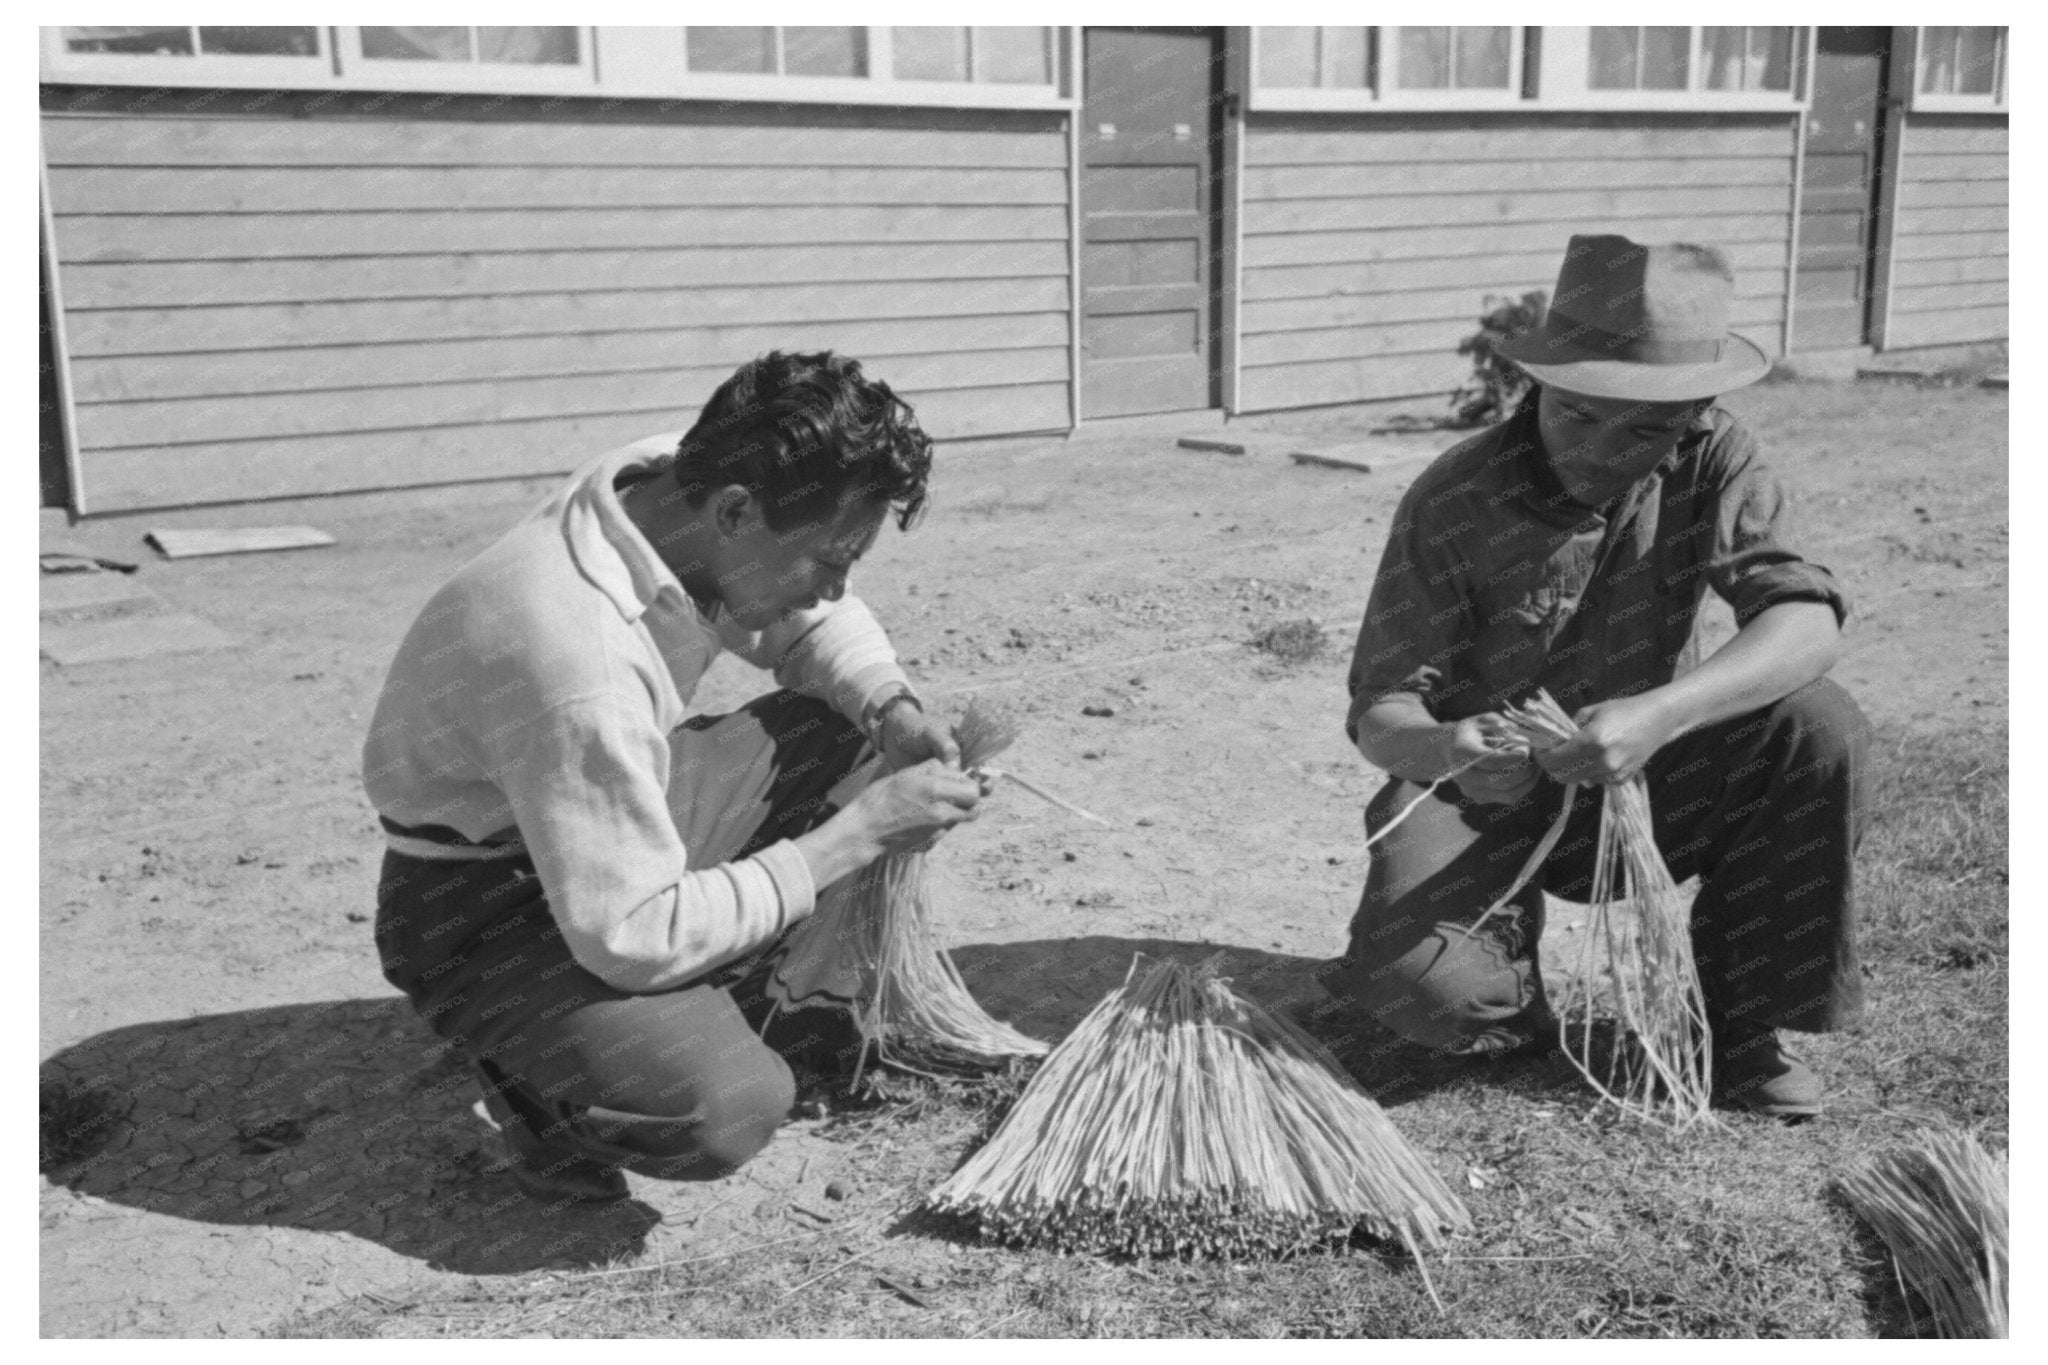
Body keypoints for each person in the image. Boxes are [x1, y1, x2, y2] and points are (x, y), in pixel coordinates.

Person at [362, 351, 989, 1202]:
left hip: (580, 817)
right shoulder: (578, 655)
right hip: (473, 904)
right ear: (735, 511)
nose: (834, 589)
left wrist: (891, 710)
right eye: (827, 559)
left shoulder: (678, 483)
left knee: (843, 728)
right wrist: (859, 833)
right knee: (728, 1105)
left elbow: (815, 628)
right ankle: (536, 1085)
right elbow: (633, 929)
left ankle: (723, 999)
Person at [1321, 234, 1870, 1119]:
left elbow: (1805, 620)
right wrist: (1450, 749)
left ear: (1695, 411)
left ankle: (1736, 1025)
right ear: (1537, 383)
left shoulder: (1716, 455)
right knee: (1429, 996)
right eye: (1578, 413)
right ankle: (1503, 976)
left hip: (1646, 776)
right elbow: (1380, 715)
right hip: (1479, 795)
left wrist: (1661, 714)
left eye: (1647, 428)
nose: (1605, 449)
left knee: (1817, 724)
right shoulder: (1454, 498)